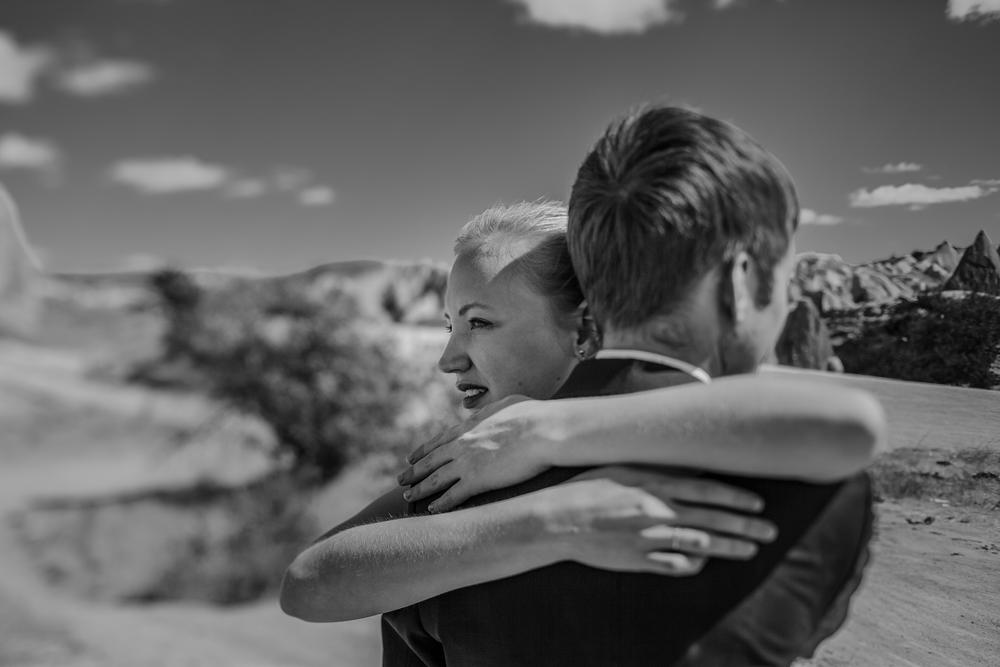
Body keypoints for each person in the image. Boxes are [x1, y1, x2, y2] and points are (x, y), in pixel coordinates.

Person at [281, 193, 883, 662]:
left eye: (481, 323)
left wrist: (549, 435)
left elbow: (313, 584)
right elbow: (309, 583)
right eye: (450, 326)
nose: (450, 359)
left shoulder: (472, 477)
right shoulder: (789, 476)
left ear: (585, 328)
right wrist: (555, 521)